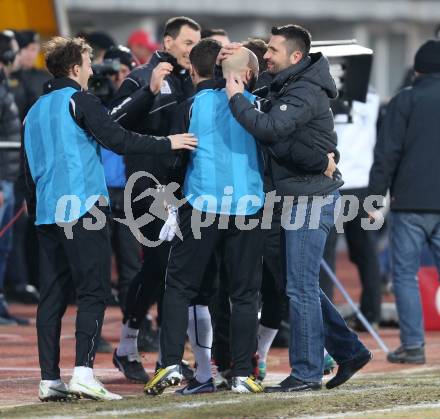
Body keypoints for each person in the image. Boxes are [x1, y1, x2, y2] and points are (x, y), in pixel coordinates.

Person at [22, 35, 197, 402]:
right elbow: (118, 139)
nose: (91, 69)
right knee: (94, 290)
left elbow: (27, 170)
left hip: (46, 213)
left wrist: (36, 211)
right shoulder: (79, 99)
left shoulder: (35, 109)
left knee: (52, 296)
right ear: (75, 68)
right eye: (87, 63)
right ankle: (84, 372)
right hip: (83, 207)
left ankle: (50, 378)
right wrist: (168, 143)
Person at [226, 24, 371, 392]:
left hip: (310, 198)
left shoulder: (305, 90)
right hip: (294, 195)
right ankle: (349, 350)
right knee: (298, 284)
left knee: (300, 287)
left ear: (295, 56)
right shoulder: (286, 85)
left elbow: (271, 129)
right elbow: (284, 140)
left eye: (272, 50)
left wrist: (236, 97)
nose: (266, 55)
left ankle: (306, 373)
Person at [144, 44, 265, 396]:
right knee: (244, 294)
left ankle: (169, 362)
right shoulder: (257, 106)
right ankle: (242, 372)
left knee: (180, 287)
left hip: (201, 205)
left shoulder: (193, 105)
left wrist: (169, 201)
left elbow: (175, 157)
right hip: (248, 206)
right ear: (246, 74)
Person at [110, 16, 201, 383]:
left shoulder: (189, 79)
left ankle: (158, 353)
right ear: (167, 41)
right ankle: (135, 346)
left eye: (197, 43)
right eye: (187, 42)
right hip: (147, 187)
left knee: (169, 271)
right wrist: (147, 90)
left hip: (182, 187)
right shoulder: (141, 76)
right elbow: (113, 122)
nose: (191, 49)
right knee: (161, 268)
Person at [368, 39, 440, 365]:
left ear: (418, 69)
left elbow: (387, 153)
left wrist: (373, 196)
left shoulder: (405, 100)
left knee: (405, 276)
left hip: (409, 202)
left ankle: (413, 346)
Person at [320, 90, 383, 330]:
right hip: (362, 184)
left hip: (338, 182)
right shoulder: (371, 98)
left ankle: (328, 318)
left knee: (329, 252)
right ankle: (371, 314)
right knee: (366, 251)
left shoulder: (323, 94)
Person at [0, 30, 30, 325]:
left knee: (5, 245)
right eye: (13, 50)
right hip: (1, 179)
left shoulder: (4, 86)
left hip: (7, 177)